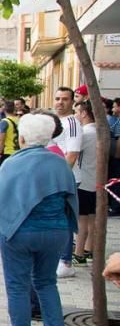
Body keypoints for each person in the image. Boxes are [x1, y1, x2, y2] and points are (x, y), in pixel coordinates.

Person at [0, 113, 75, 326]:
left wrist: (2, 228)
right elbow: (71, 199)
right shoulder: (60, 163)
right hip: (56, 231)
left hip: (20, 232)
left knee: (17, 285)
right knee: (47, 282)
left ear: (23, 137)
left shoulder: (12, 163)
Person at [49, 87, 83, 280]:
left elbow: (72, 154)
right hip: (55, 178)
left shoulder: (72, 123)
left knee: (64, 219)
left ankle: (66, 261)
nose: (60, 102)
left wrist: (59, 178)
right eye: (57, 98)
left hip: (66, 179)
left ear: (72, 102)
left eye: (64, 99)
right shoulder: (57, 121)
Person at [71, 102, 97, 265]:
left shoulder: (86, 133)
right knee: (91, 218)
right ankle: (89, 249)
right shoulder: (100, 131)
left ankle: (79, 252)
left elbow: (73, 152)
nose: (75, 115)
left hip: (84, 180)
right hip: (95, 180)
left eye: (77, 112)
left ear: (84, 113)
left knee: (82, 219)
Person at [0, 98, 25, 167]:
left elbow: (1, 139)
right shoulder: (20, 119)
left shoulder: (5, 121)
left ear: (5, 109)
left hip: (8, 151)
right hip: (19, 151)